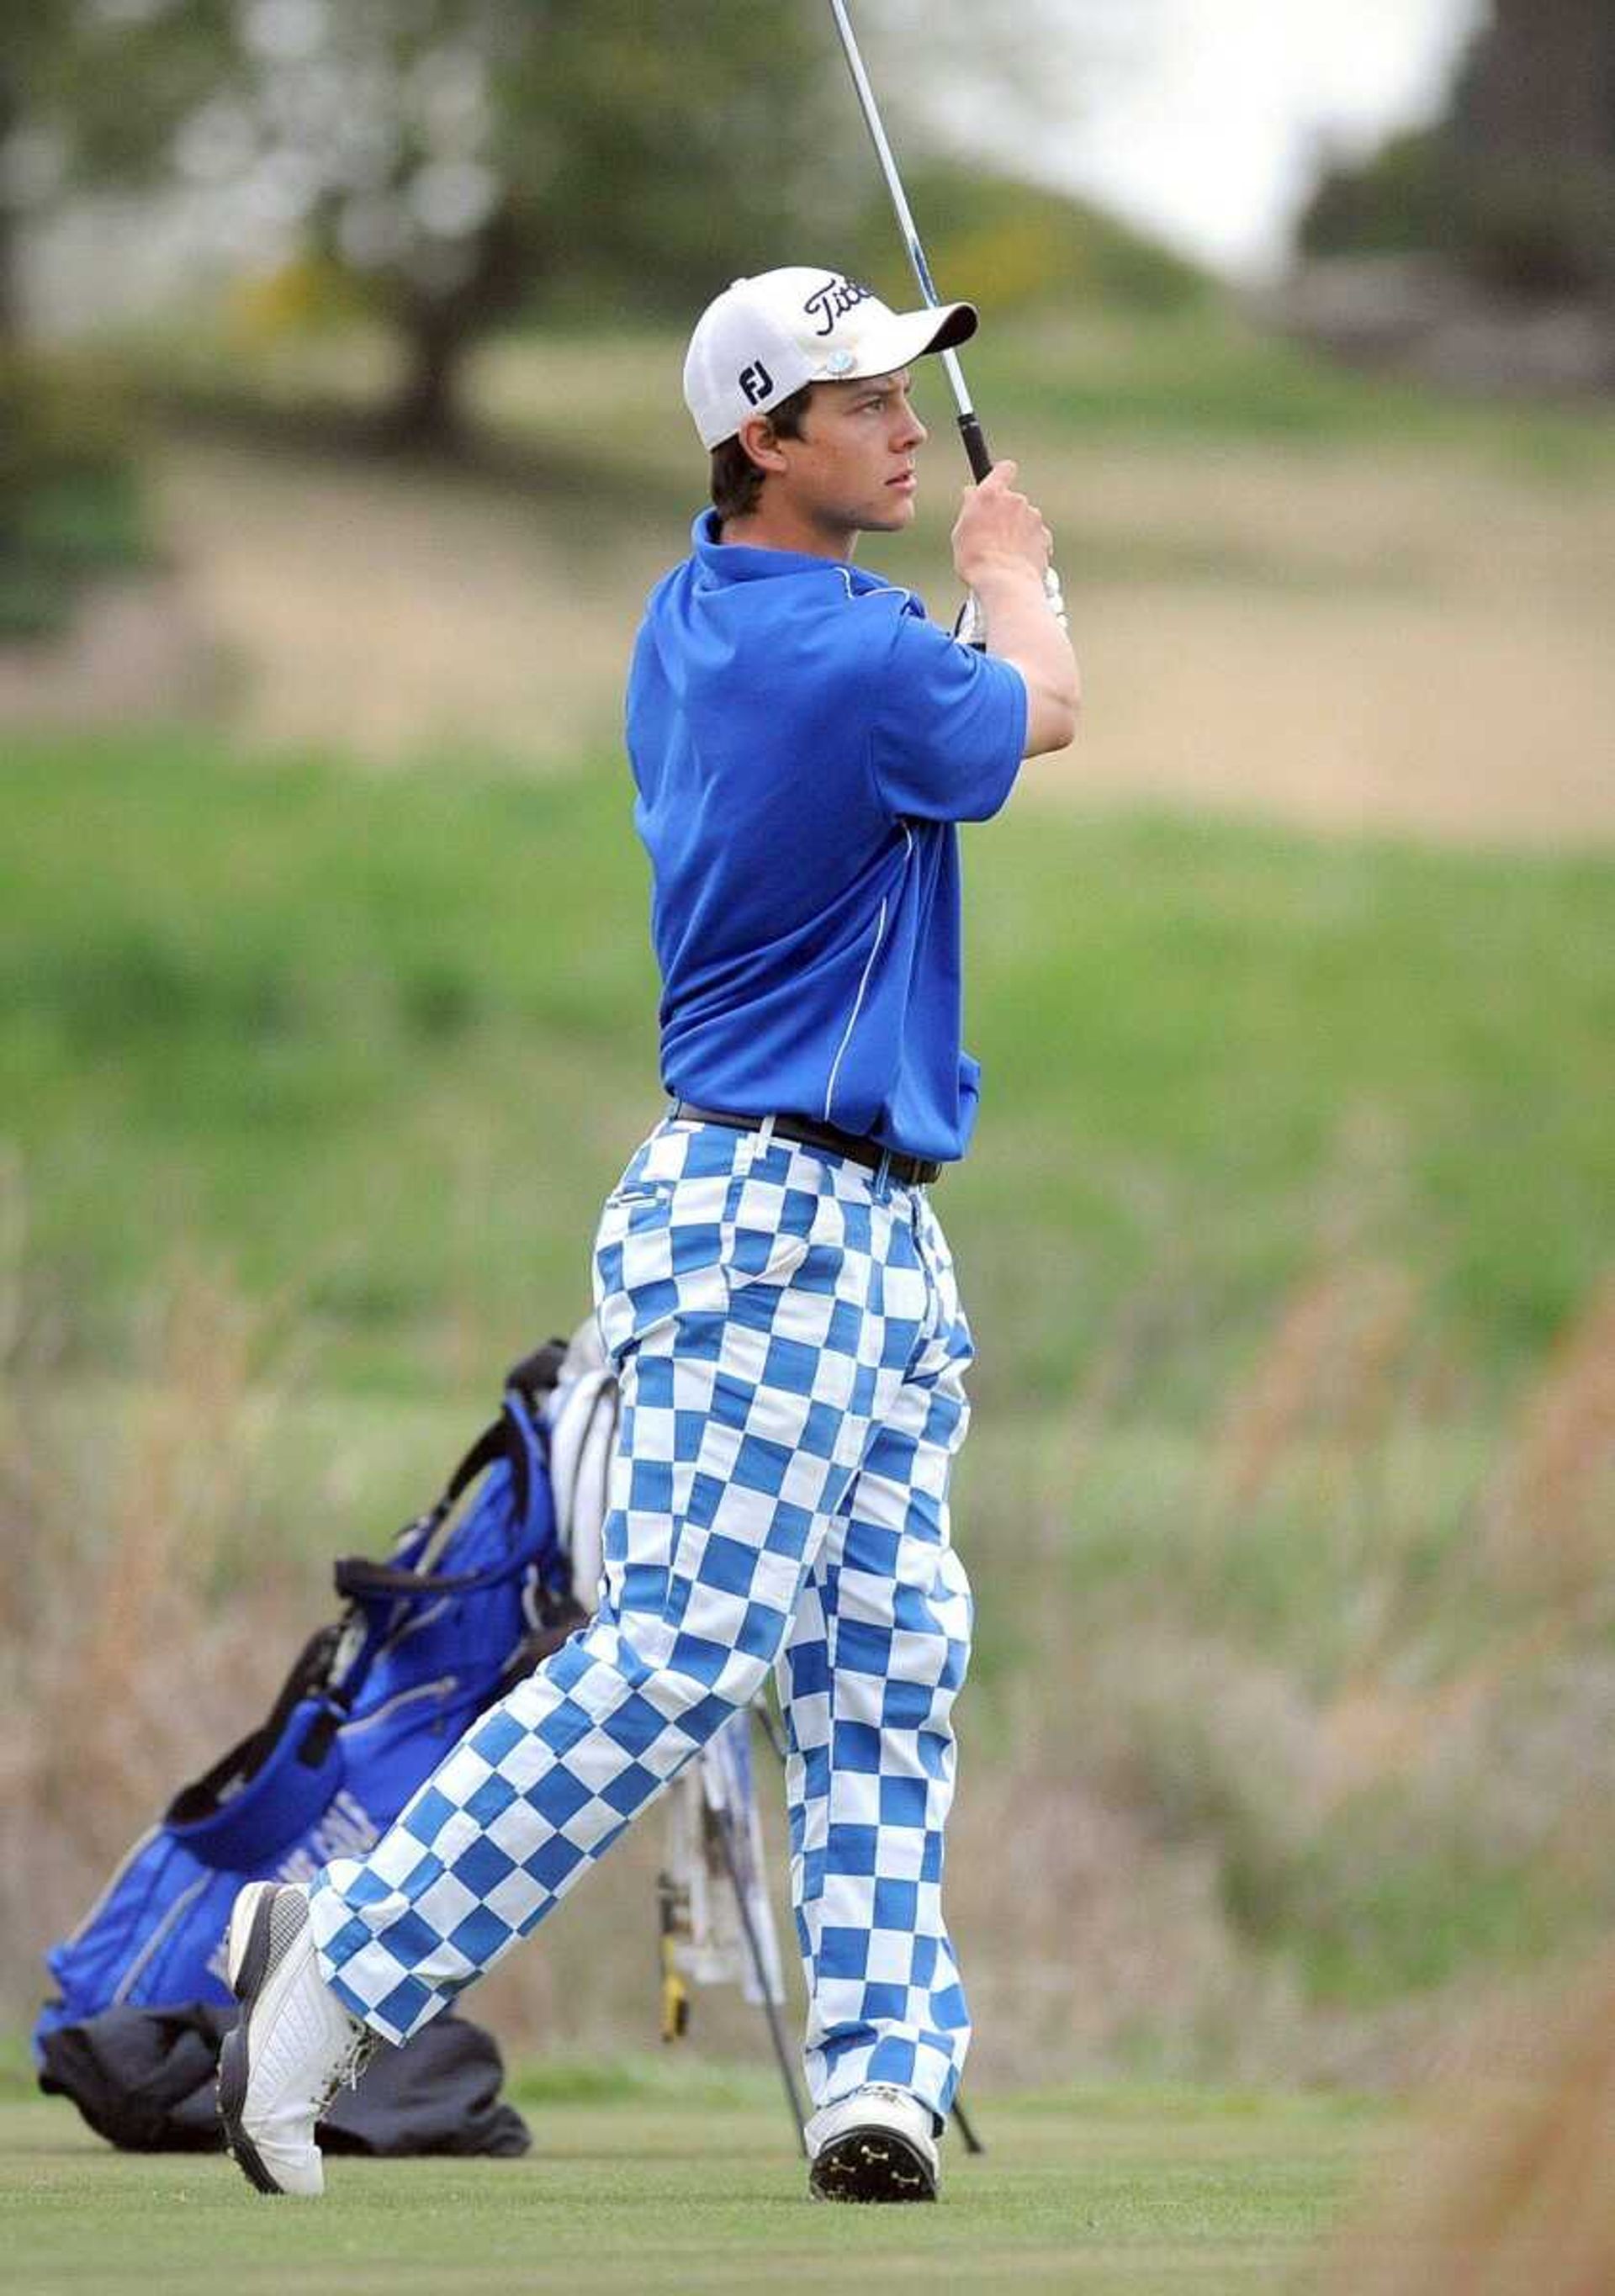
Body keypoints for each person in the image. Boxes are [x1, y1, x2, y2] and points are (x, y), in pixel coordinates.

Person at [218, 264, 1078, 2206]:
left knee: (884, 1658)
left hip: (865, 1227)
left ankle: (876, 2077)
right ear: (762, 439)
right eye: (860, 402)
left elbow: (919, 735)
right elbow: (1041, 711)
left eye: (905, 395)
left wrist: (953, 607)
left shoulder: (701, 614)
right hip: (771, 1211)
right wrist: (1013, 562)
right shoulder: (850, 654)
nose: (898, 426)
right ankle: (337, 1967)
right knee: (689, 1651)